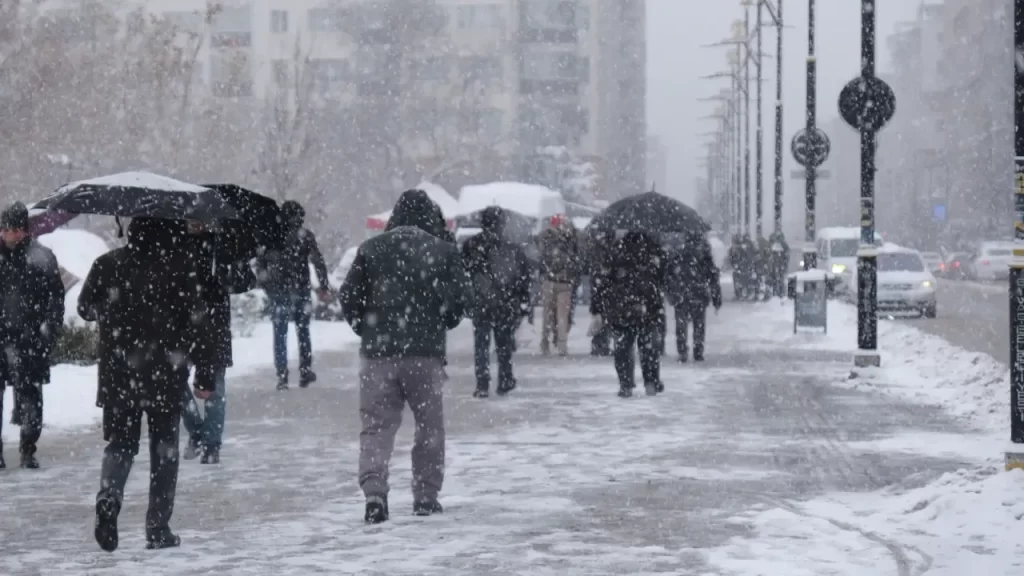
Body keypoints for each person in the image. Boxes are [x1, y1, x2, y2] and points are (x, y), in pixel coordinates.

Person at [78, 217, 209, 552]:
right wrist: (201, 369)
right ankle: (158, 528)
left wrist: (110, 310)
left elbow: (83, 308)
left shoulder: (107, 264)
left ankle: (109, 496)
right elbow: (199, 323)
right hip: (166, 374)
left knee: (120, 445)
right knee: (165, 450)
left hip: (119, 374)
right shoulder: (182, 267)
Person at [340, 189, 468, 524]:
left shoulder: (370, 249)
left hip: (378, 354)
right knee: (429, 428)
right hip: (424, 355)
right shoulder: (443, 251)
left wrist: (366, 328)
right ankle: (425, 496)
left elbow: (349, 297)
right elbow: (458, 304)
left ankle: (375, 493)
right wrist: (438, 321)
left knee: (376, 426)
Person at [181, 221, 256, 464]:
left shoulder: (222, 245)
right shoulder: (175, 244)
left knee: (216, 385)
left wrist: (231, 267)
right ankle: (197, 430)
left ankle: (212, 445)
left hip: (214, 321)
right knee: (175, 381)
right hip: (182, 322)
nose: (193, 223)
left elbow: (245, 281)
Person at [0, 202, 64, 469]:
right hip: (3, 337)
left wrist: (47, 333)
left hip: (31, 339)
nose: (10, 234)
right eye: (6, 229)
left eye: (15, 229)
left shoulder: (41, 257)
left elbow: (55, 300)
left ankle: (28, 447)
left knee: (31, 398)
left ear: (25, 230)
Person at [254, 200, 331, 390]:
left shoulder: (272, 236)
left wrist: (266, 285)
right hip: (301, 289)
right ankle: (305, 370)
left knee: (280, 333)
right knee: (303, 330)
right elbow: (318, 262)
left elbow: (261, 263)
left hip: (278, 290)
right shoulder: (304, 236)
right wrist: (323, 286)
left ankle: (282, 375)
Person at [461, 206, 532, 398]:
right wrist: (523, 304)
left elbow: (464, 273)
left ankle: (482, 383)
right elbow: (523, 278)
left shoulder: (471, 245)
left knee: (481, 345)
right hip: (505, 303)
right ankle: (505, 379)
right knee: (504, 346)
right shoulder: (511, 247)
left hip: (481, 302)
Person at [591, 230, 667, 398]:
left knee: (623, 349)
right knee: (649, 350)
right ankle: (651, 382)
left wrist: (597, 308)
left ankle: (626, 384)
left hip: (622, 309)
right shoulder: (653, 251)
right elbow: (663, 279)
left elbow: (602, 282)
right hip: (648, 308)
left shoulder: (615, 251)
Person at [667, 232, 723, 362]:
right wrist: (716, 299)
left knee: (681, 325)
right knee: (699, 325)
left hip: (681, 294)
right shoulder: (704, 253)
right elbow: (713, 277)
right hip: (699, 294)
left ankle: (682, 351)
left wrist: (670, 292)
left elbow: (669, 274)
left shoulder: (678, 252)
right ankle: (698, 351)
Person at [537, 218, 580, 356]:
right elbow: (576, 259)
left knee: (549, 315)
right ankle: (561, 345)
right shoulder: (569, 240)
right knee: (561, 316)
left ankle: (546, 342)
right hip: (564, 282)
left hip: (551, 281)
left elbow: (540, 257)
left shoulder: (546, 239)